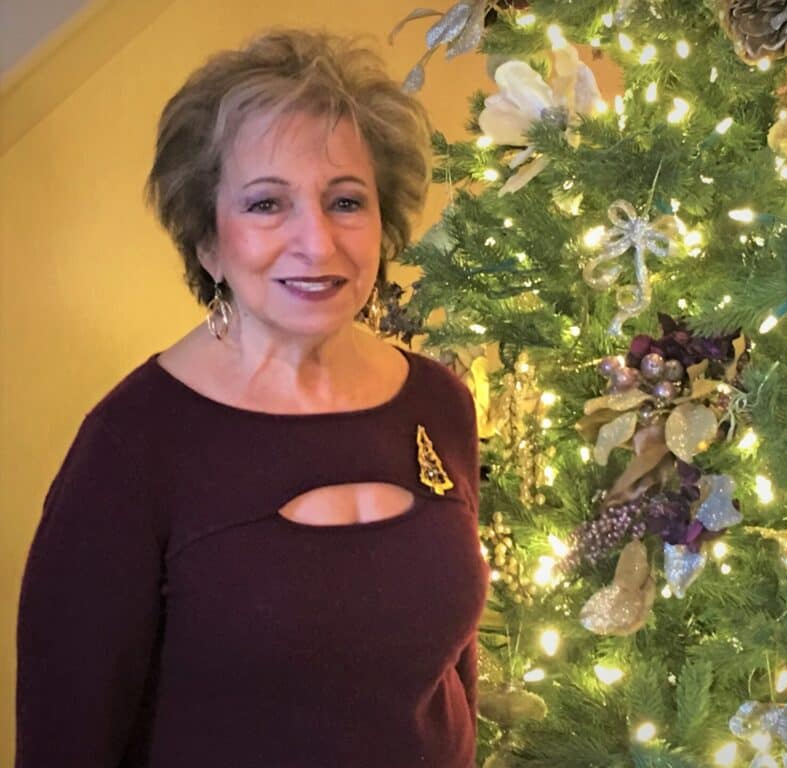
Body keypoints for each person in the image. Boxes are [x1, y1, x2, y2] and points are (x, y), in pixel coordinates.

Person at [16, 29, 487, 767]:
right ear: (208, 240)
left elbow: (451, 671)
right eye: (268, 204)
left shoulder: (439, 402)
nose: (317, 242)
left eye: (346, 201)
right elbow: (66, 737)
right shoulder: (132, 445)